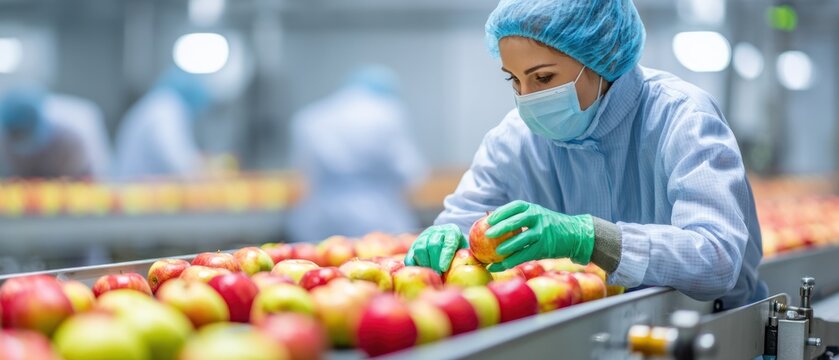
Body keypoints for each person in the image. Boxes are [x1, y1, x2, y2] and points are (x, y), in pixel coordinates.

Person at [405, 0, 767, 309]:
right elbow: (462, 219)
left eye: (543, 79)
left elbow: (716, 258)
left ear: (602, 58)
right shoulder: (514, 138)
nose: (526, 98)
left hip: (710, 330)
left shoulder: (682, 118)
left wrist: (590, 238)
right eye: (513, 80)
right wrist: (446, 239)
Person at [287, 65, 427, 243]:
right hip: (376, 214)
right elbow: (409, 172)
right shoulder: (387, 114)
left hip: (320, 217)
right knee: (374, 265)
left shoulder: (311, 116)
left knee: (318, 264)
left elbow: (304, 176)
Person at [114, 68, 210, 179]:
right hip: (136, 189)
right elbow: (175, 160)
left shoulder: (159, 104)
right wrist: (198, 166)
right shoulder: (166, 109)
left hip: (139, 185)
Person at [0, 88, 110, 180]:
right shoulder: (6, 141)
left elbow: (88, 176)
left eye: (23, 133)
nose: (21, 138)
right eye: (16, 135)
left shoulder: (71, 136)